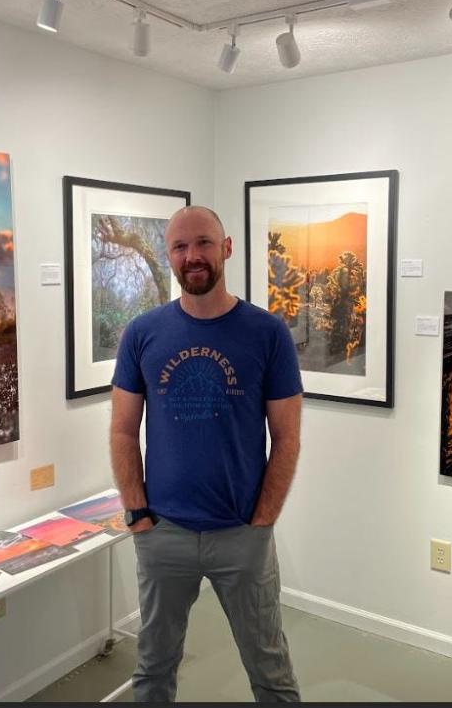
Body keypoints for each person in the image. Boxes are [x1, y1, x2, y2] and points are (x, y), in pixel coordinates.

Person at [110, 205, 303, 702]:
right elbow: (123, 432)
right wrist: (137, 514)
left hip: (241, 534)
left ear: (226, 248)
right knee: (153, 668)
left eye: (203, 243)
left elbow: (286, 437)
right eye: (180, 246)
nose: (192, 256)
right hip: (164, 534)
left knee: (270, 668)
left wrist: (262, 521)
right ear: (168, 255)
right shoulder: (142, 333)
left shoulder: (267, 333)